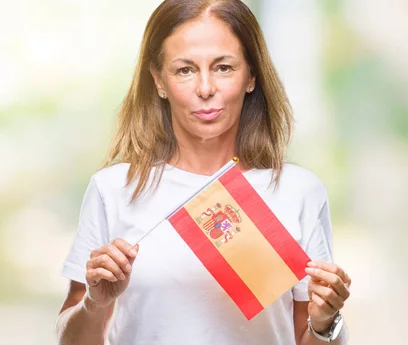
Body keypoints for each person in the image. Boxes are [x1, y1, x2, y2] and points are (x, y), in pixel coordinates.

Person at [54, 1, 351, 344]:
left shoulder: (297, 191)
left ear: (251, 76)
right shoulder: (114, 189)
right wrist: (94, 303)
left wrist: (326, 321)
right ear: (159, 80)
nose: (206, 88)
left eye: (223, 67)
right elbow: (70, 340)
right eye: (185, 70)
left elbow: (310, 334)